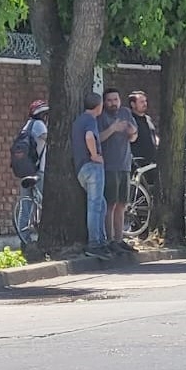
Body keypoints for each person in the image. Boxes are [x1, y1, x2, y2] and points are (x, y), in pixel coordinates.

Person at [98, 87, 139, 253]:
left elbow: (135, 135)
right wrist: (113, 129)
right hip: (109, 166)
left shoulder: (125, 113)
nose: (113, 103)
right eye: (109, 100)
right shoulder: (101, 116)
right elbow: (97, 138)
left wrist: (131, 132)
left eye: (115, 100)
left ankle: (119, 238)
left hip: (125, 164)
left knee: (122, 204)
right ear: (104, 102)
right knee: (110, 204)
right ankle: (109, 240)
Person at [71, 92, 111, 260]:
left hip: (80, 168)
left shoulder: (78, 120)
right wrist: (94, 155)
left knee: (101, 203)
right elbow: (89, 137)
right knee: (95, 205)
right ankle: (94, 243)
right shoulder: (90, 120)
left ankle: (102, 239)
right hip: (92, 166)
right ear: (99, 106)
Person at [17, 99, 48, 244]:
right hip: (38, 171)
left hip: (25, 171)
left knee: (26, 204)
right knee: (44, 203)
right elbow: (48, 139)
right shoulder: (40, 125)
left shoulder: (27, 126)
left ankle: (24, 238)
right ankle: (43, 233)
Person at [128, 90, 158, 164]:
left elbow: (152, 134)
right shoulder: (130, 120)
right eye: (141, 102)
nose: (145, 104)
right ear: (133, 104)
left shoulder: (148, 119)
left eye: (145, 101)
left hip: (152, 162)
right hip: (138, 163)